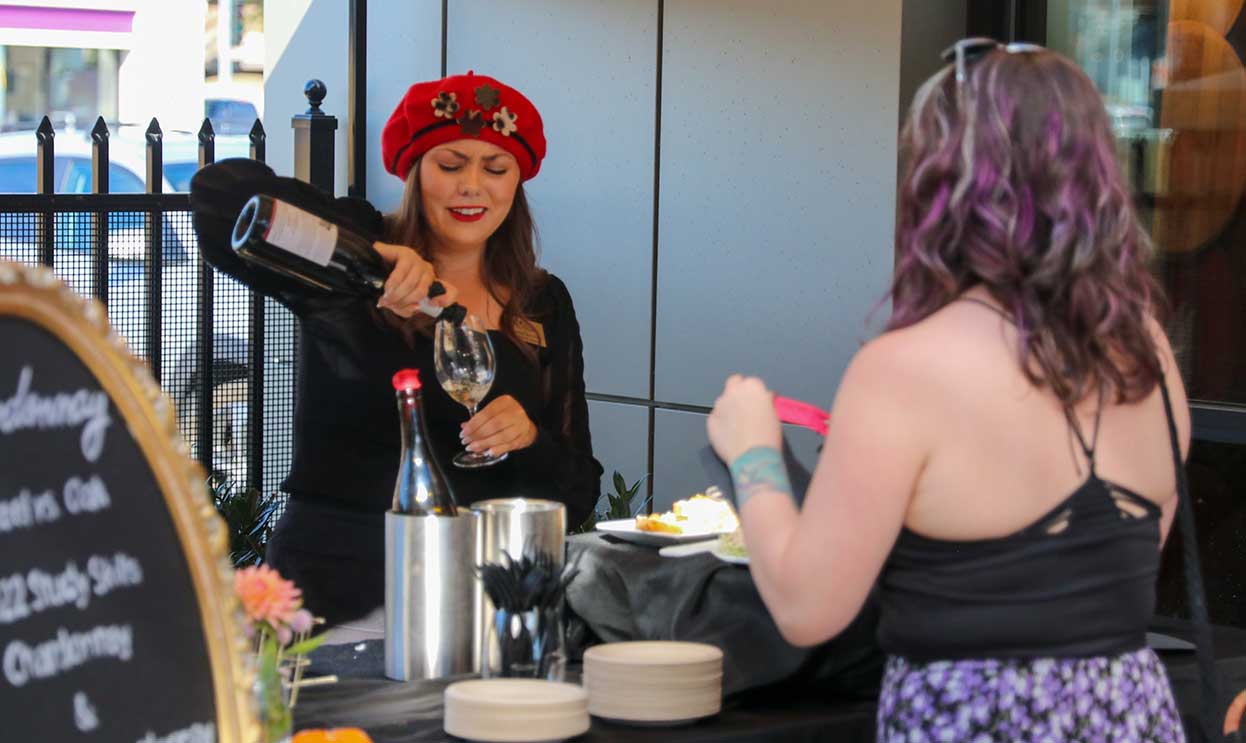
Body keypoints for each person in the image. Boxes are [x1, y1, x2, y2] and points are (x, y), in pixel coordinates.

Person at [706, 40, 1191, 742]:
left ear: (943, 183)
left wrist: (753, 450)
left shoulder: (906, 368)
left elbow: (808, 607)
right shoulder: (1146, 351)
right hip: (1131, 713)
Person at [190, 72, 602, 626]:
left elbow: (578, 491)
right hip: (342, 581)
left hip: (481, 593)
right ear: (414, 171)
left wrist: (528, 440)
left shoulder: (541, 300)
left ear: (517, 184)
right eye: (450, 165)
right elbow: (217, 198)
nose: (472, 187)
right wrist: (371, 255)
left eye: (496, 168)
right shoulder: (356, 252)